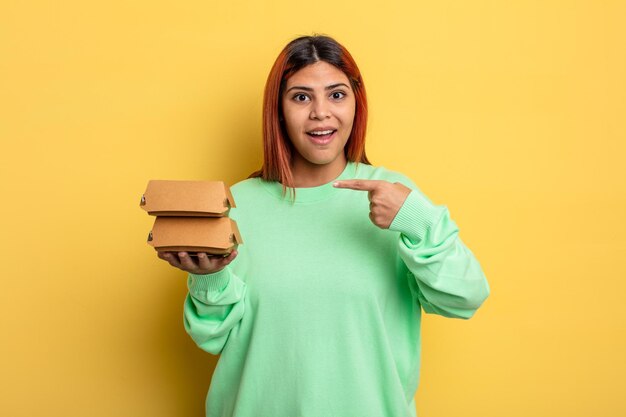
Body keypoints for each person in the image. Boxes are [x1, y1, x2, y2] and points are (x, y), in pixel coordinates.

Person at [157, 35, 490, 417]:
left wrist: (416, 218)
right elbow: (211, 337)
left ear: (356, 103)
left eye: (336, 95)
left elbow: (466, 296)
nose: (320, 113)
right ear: (278, 110)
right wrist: (209, 278)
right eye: (301, 97)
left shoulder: (395, 196)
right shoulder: (237, 203)